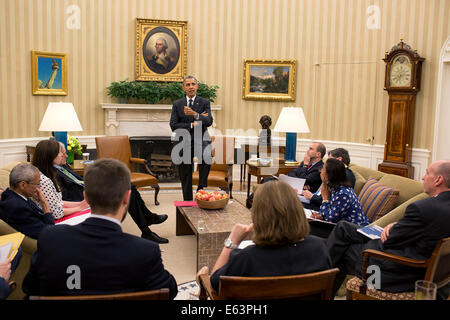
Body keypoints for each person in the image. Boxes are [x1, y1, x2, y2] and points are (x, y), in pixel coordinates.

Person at [22, 158, 178, 298]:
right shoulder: (146, 251)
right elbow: (169, 290)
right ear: (127, 198)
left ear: (86, 197)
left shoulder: (50, 238)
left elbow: (30, 289)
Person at [326, 160, 450, 299]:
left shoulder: (422, 208)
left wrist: (393, 229)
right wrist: (395, 225)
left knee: (341, 251)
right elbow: (417, 231)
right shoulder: (435, 208)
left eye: (427, 173)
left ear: (438, 179)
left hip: (392, 273)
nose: (423, 177)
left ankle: (320, 288)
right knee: (344, 227)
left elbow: (390, 240)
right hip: (428, 271)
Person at [197, 180, 332, 293]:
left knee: (202, 276)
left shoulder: (246, 258)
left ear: (259, 215)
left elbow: (215, 288)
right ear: (297, 211)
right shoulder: (319, 247)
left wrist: (231, 243)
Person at [53, 141, 169, 244]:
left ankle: (147, 225)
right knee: (126, 190)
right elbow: (65, 195)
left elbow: (78, 179)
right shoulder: (52, 173)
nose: (66, 156)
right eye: (63, 154)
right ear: (51, 155)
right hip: (84, 196)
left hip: (89, 188)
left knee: (129, 185)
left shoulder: (62, 166)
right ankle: (147, 225)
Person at [170, 75, 213, 201]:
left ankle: (200, 188)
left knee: (207, 155)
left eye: (193, 84)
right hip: (185, 140)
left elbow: (209, 121)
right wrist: (193, 123)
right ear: (184, 88)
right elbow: (173, 125)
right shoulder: (177, 104)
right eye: (188, 85)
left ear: (197, 86)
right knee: (185, 172)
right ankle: (187, 200)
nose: (191, 87)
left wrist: (194, 114)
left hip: (201, 139)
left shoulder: (205, 102)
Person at [31, 140, 89, 220]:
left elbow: (58, 202)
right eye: (60, 153)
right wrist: (80, 208)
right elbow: (56, 213)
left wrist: (80, 204)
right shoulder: (43, 180)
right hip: (54, 220)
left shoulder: (48, 173)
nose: (64, 155)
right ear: (50, 156)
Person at [0, 163, 54, 239]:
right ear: (23, 185)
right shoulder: (17, 207)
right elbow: (49, 233)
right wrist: (45, 204)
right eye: (37, 184)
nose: (39, 188)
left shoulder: (12, 194)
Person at [311, 158, 368, 226]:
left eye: (323, 169)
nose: (320, 171)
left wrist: (325, 199)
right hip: (340, 226)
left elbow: (331, 219)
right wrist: (321, 215)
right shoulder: (336, 188)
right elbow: (330, 211)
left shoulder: (342, 194)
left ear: (329, 175)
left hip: (352, 231)